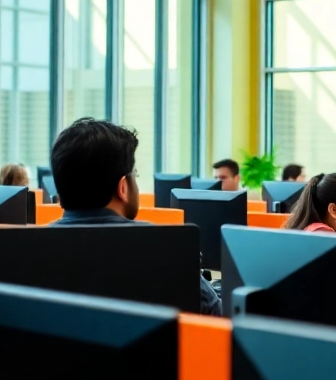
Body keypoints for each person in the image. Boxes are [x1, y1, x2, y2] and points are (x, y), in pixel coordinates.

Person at [50, 118, 223, 316]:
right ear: (123, 188)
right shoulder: (166, 246)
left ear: (60, 195)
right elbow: (216, 316)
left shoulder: (30, 249)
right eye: (135, 175)